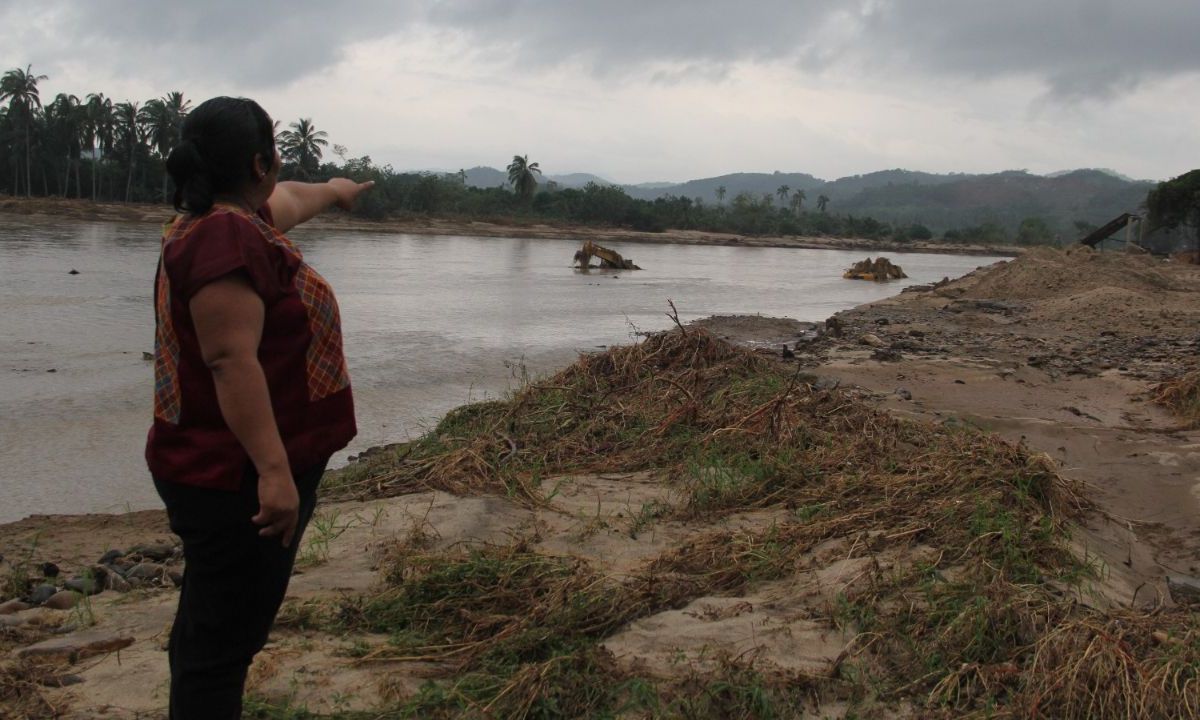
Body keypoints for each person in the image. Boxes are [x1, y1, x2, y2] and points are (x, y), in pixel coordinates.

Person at [145, 96, 372, 719]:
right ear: (260, 162)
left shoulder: (226, 220)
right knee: (219, 652)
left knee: (211, 631)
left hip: (223, 468)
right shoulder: (225, 238)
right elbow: (229, 361)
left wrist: (336, 190)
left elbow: (293, 200)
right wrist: (275, 474)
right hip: (235, 478)